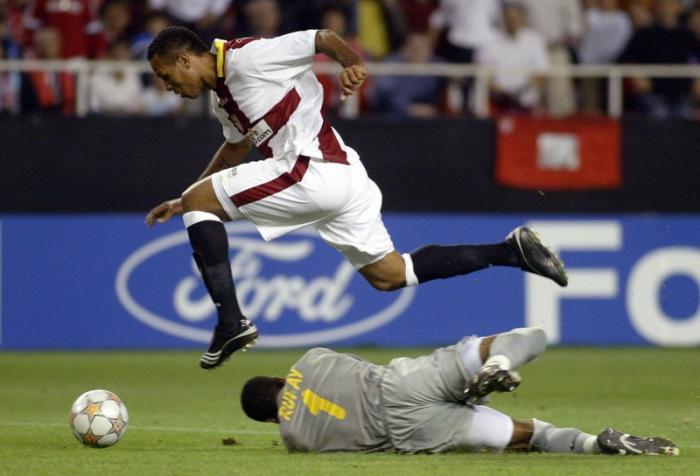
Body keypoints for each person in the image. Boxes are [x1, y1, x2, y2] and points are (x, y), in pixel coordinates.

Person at [144, 26, 569, 370]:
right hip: (341, 175)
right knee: (390, 274)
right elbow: (235, 148)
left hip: (311, 169)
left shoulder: (248, 57)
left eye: (166, 75)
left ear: (185, 59)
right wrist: (187, 201)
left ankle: (230, 321)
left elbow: (322, 38)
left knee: (201, 201)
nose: (167, 86)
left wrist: (352, 64)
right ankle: (511, 251)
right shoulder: (224, 99)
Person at [240, 327, 679, 455]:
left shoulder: (294, 439)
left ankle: (590, 444)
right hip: (401, 382)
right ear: (279, 379)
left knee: (530, 435)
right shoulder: (310, 359)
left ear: (267, 418)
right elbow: (359, 366)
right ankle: (499, 362)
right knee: (527, 337)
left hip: (409, 433)